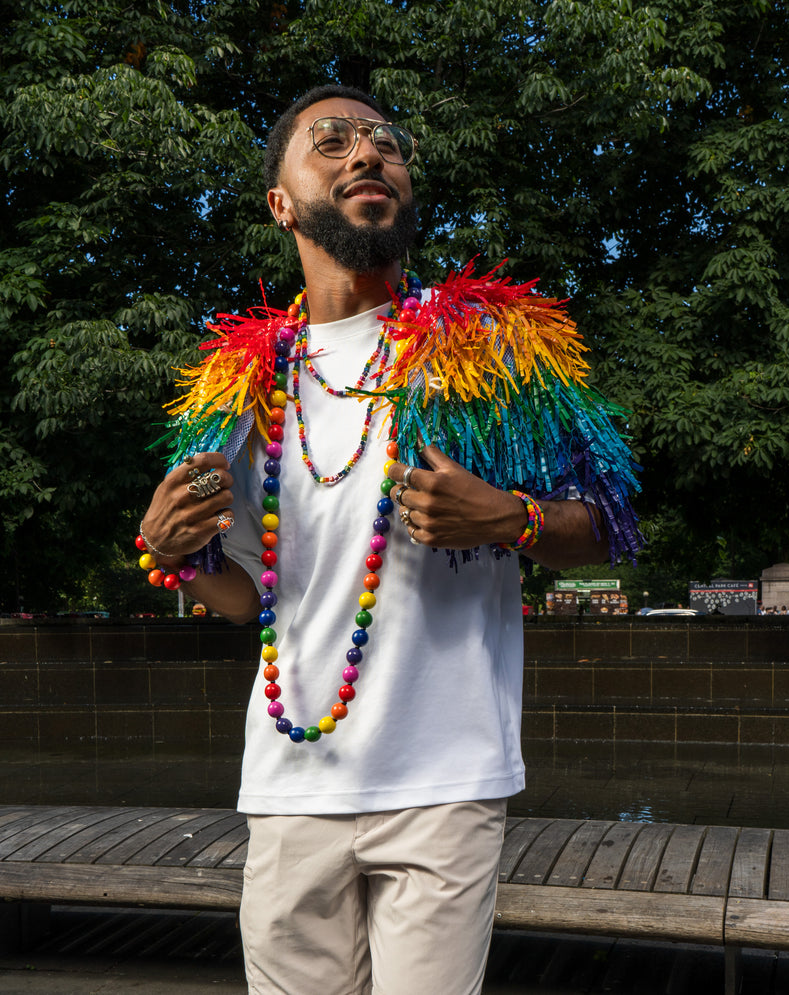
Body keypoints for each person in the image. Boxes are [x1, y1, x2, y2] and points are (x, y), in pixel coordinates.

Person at [136, 84, 642, 995]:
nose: (367, 155)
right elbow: (247, 597)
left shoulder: (491, 346)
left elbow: (608, 523)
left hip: (443, 783)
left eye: (385, 143)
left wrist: (512, 517)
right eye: (330, 142)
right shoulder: (235, 385)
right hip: (290, 787)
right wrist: (170, 557)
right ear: (281, 202)